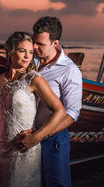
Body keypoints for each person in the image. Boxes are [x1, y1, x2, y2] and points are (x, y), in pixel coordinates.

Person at [0, 31, 66, 187]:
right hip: (0, 148)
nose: (27, 56)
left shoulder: (34, 79)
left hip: (23, 148)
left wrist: (37, 137)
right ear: (10, 51)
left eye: (31, 52)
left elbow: (60, 111)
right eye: (22, 51)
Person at [16, 17, 82, 187]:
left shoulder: (70, 71)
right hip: (24, 135)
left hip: (53, 139)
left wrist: (39, 136)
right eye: (34, 42)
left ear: (55, 43)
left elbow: (72, 114)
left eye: (40, 44)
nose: (35, 47)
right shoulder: (30, 60)